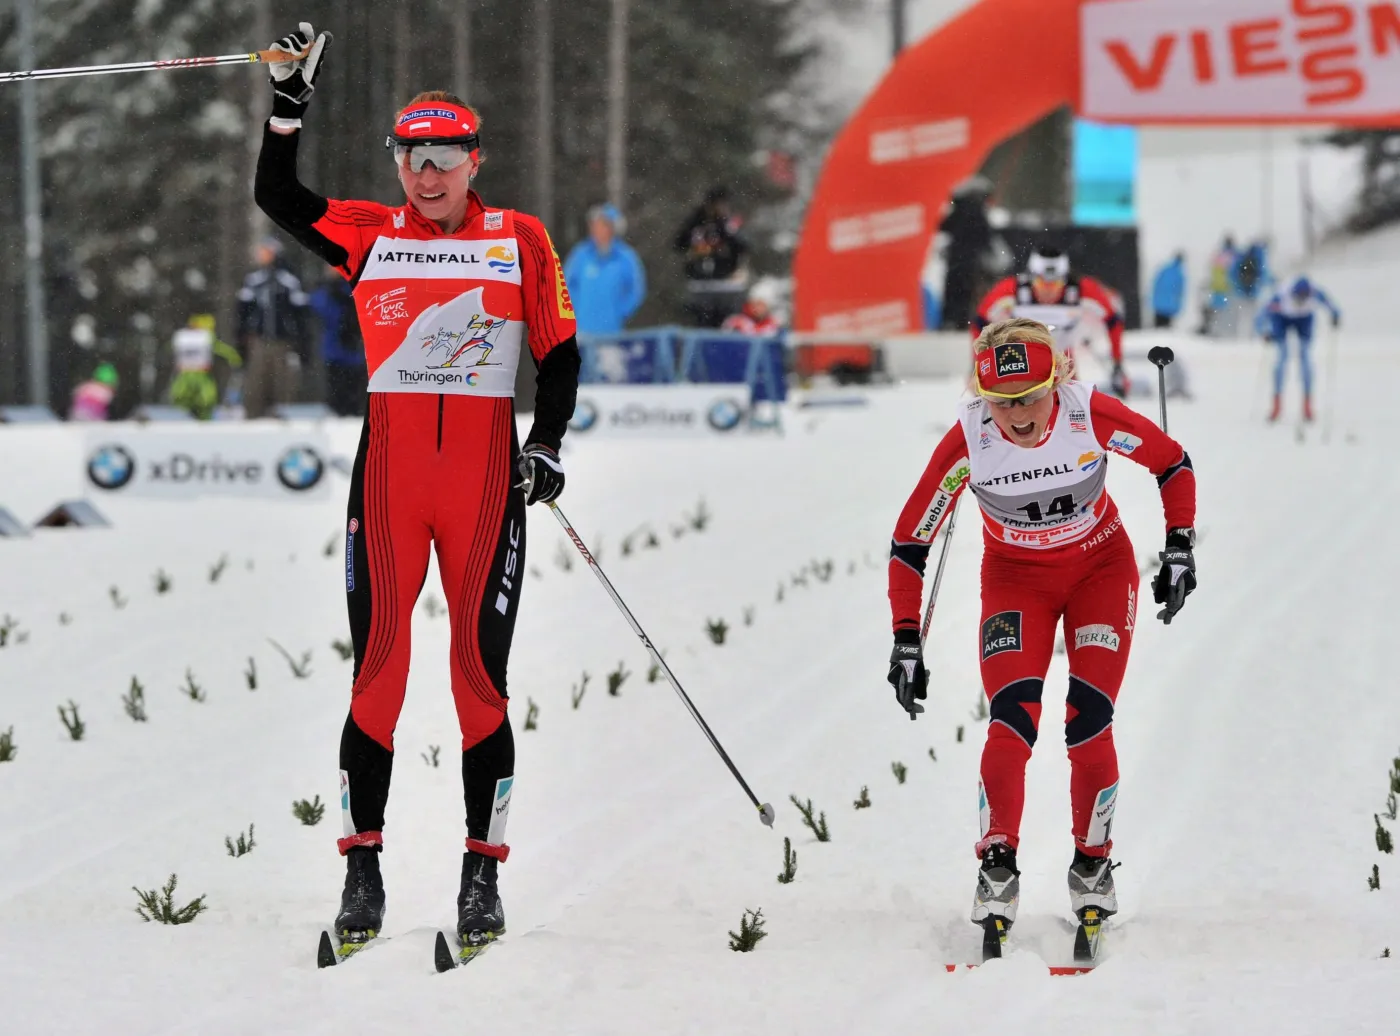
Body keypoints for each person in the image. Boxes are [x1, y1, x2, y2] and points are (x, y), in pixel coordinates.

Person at [252, 23, 581, 961]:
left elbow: (559, 352)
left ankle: (482, 877)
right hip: (390, 486)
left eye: (443, 159)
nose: (426, 176)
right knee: (379, 676)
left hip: (482, 489)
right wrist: (287, 105)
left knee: (478, 683)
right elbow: (278, 195)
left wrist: (547, 443)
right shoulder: (367, 234)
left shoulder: (520, 239)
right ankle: (363, 874)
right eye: (411, 159)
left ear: (475, 161)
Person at [885, 317, 1196, 953]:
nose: (1018, 415)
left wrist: (1180, 547)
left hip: (1100, 572)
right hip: (1014, 584)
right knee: (1011, 721)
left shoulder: (1088, 416)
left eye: (1029, 397)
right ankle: (997, 864)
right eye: (1002, 403)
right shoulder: (970, 439)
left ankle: (1093, 862)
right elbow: (911, 541)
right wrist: (906, 639)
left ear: (1058, 381)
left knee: (1088, 721)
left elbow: (1172, 464)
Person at [973, 248, 1128, 397]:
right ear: (1031, 277)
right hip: (1022, 357)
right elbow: (979, 321)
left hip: (1064, 357)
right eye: (1041, 283)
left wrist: (1117, 364)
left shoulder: (1082, 289)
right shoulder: (1012, 289)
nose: (1048, 290)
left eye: (1055, 284)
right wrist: (978, 365)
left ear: (1065, 279)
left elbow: (1113, 321)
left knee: (1073, 402)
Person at [235, 235, 310, 417]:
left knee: (282, 380)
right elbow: (243, 311)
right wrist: (242, 336)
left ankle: (281, 413)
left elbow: (300, 313)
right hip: (259, 339)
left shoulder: (288, 280)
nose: (262, 256)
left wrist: (300, 339)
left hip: (282, 340)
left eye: (266, 252)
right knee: (256, 379)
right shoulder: (254, 280)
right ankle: (253, 414)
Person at [1255, 275, 1340, 423]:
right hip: (1282, 319)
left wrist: (1336, 315)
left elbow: (1330, 305)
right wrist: (1264, 331)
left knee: (1306, 360)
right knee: (1282, 359)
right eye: (1298, 297)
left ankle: (1307, 405)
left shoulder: (1315, 293)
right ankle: (1276, 405)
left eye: (1304, 298)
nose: (1301, 300)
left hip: (1304, 321)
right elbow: (1262, 315)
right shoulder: (1281, 296)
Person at [562, 203, 646, 334]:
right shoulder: (580, 255)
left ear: (612, 228)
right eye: (594, 225)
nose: (596, 230)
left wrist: (620, 312)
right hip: (581, 332)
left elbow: (636, 290)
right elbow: (565, 285)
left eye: (601, 225)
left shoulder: (626, 257)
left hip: (611, 332)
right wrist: (574, 310)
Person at [674, 185, 749, 327]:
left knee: (725, 325)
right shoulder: (696, 223)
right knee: (700, 324)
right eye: (716, 204)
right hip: (699, 283)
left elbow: (742, 246)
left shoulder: (729, 224)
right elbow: (679, 244)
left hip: (725, 284)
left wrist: (723, 228)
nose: (719, 208)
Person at [308, 273, 366, 416]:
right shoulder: (325, 290)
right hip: (335, 350)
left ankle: (352, 411)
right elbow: (316, 306)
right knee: (337, 391)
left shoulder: (356, 285)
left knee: (354, 389)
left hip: (354, 350)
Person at [1150, 252, 1186, 329]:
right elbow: (1180, 291)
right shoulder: (1179, 274)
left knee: (1157, 328)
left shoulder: (1165, 269)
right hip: (1170, 306)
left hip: (1159, 303)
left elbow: (1156, 283)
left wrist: (1153, 298)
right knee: (1165, 329)